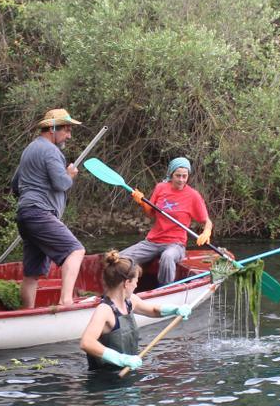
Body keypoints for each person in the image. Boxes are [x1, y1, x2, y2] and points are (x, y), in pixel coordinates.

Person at [12, 108, 86, 308]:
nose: (69, 136)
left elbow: (15, 184)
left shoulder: (29, 149)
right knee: (76, 250)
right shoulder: (51, 151)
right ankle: (66, 302)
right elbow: (61, 184)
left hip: (25, 215)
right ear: (53, 128)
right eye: (67, 130)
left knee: (32, 274)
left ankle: (26, 315)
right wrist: (70, 174)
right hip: (39, 214)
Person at [80, 250, 192, 375]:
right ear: (127, 283)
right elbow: (86, 342)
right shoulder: (105, 310)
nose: (137, 284)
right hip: (105, 378)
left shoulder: (130, 300)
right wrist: (121, 359)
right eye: (136, 280)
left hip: (128, 369)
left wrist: (175, 309)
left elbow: (153, 310)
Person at [120, 156, 214, 286]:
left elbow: (207, 221)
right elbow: (150, 213)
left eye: (184, 176)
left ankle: (164, 289)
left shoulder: (193, 196)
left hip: (176, 244)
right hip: (153, 241)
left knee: (168, 257)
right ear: (171, 174)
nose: (181, 180)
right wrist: (141, 202)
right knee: (120, 259)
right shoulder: (160, 188)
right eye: (178, 175)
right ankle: (122, 288)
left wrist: (206, 232)